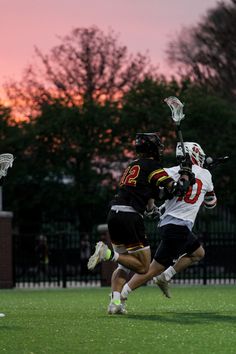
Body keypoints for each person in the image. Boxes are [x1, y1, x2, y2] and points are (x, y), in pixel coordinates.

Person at [87, 133, 195, 314]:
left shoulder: (133, 165)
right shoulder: (152, 166)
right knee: (144, 266)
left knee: (123, 265)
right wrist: (185, 174)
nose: (161, 150)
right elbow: (176, 190)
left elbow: (153, 195)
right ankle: (106, 254)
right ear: (152, 148)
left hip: (114, 215)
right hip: (130, 217)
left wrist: (152, 208)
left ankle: (115, 303)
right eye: (158, 146)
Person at [120, 142, 217, 305]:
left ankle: (165, 276)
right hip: (178, 227)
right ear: (194, 155)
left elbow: (152, 187)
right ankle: (121, 295)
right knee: (153, 268)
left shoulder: (170, 171)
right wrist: (206, 177)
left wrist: (151, 207)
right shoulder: (206, 174)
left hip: (169, 224)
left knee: (198, 253)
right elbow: (211, 203)